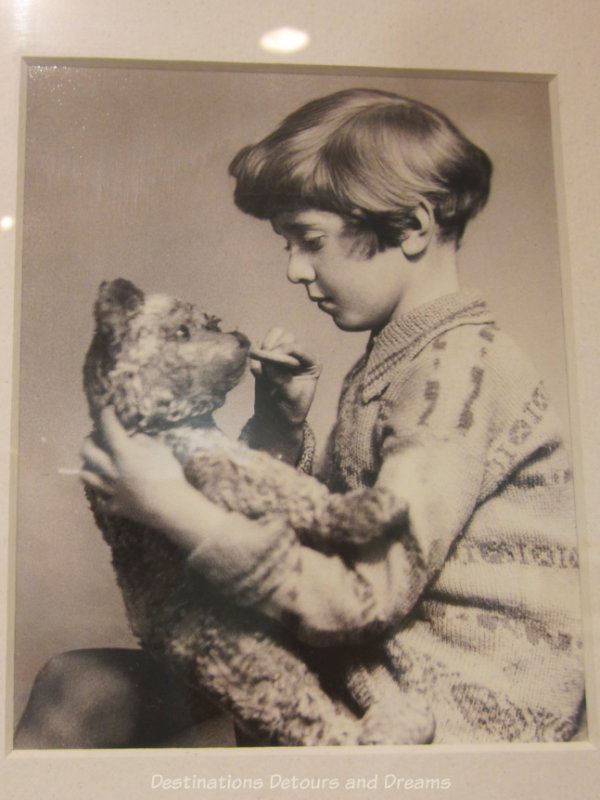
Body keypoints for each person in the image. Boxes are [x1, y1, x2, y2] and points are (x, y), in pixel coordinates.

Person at [15, 89, 584, 747]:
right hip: (369, 664)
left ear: (415, 227)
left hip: (452, 706)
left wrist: (176, 507)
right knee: (73, 684)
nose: (293, 270)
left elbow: (358, 600)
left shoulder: (459, 372)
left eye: (309, 242)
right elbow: (320, 527)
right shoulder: (401, 357)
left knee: (167, 763)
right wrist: (279, 428)